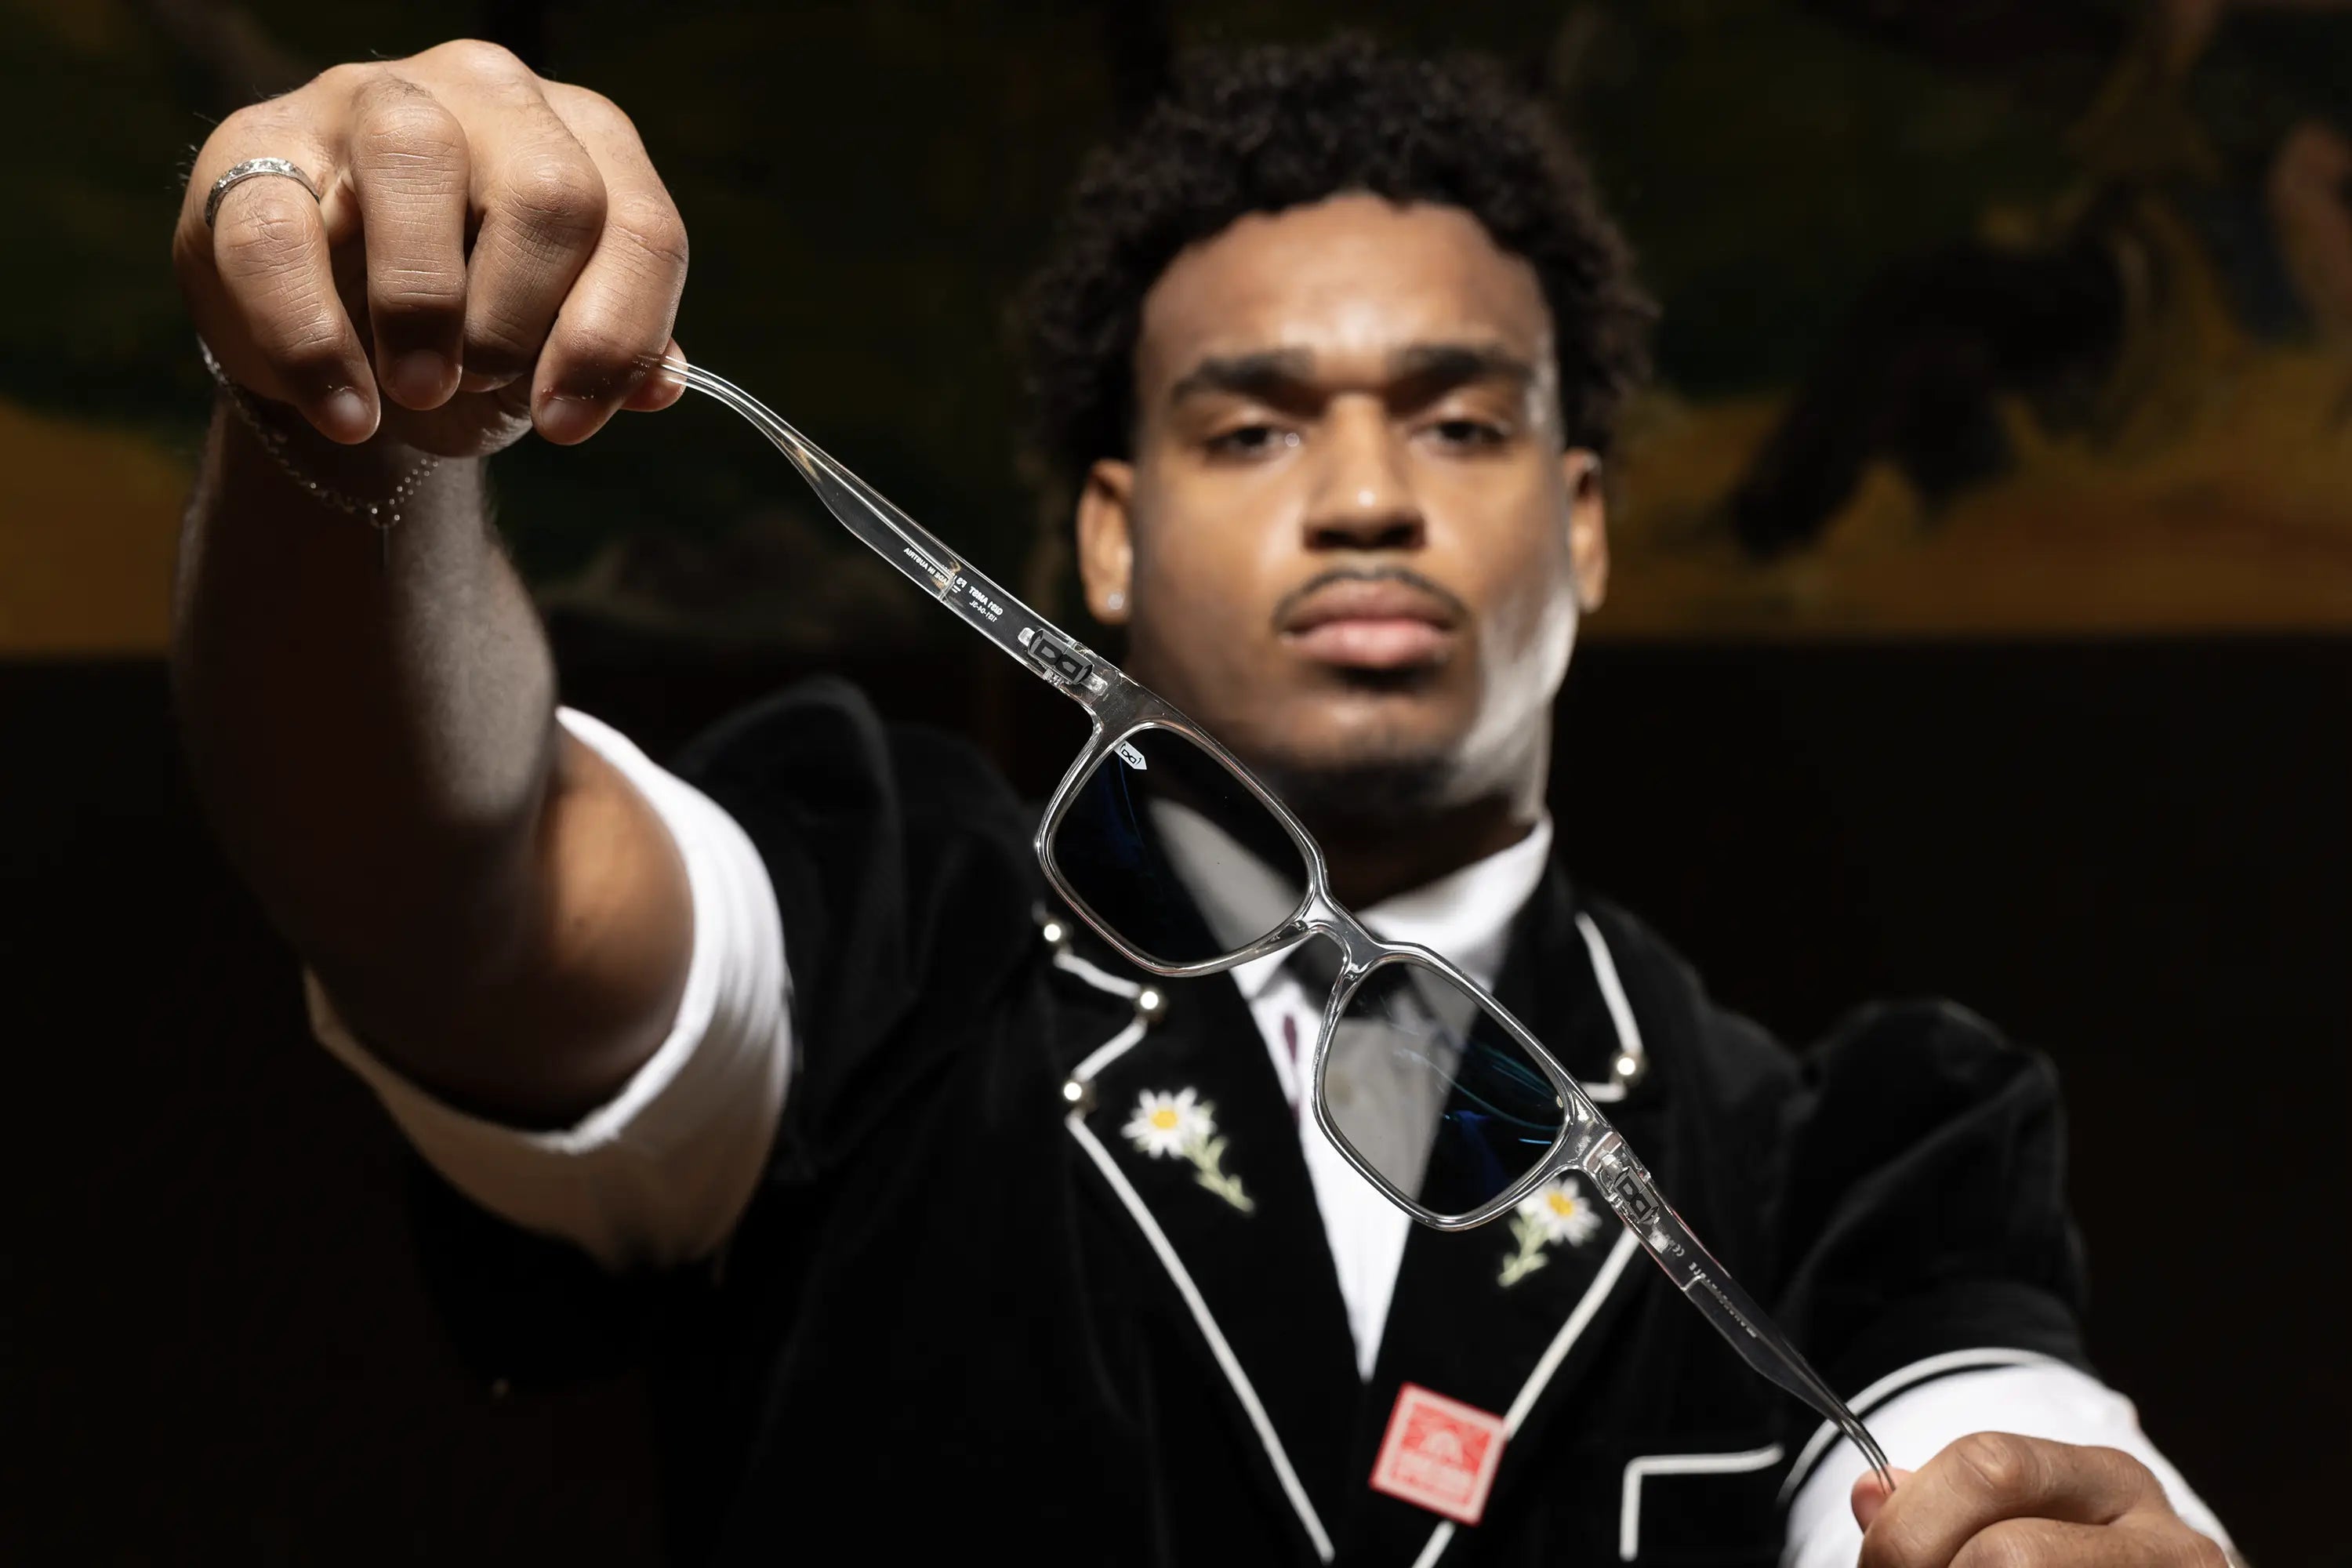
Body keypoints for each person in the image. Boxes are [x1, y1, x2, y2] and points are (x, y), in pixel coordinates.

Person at [169, 34, 2239, 1568]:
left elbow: (2000, 1445)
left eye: (1459, 420)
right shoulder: (886, 936)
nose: (1365, 498)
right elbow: (448, 883)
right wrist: (351, 430)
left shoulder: (1850, 1154)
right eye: (1252, 429)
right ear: (1105, 534)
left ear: (1589, 525)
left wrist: (2047, 1534)